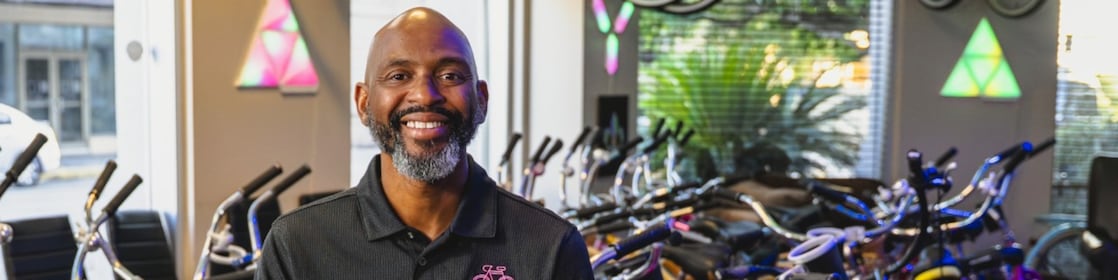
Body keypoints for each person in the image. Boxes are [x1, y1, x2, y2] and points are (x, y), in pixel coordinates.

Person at [255, 7, 594, 280]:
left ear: (481, 100)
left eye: (450, 76)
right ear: (363, 102)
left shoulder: (551, 247)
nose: (425, 95)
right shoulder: (297, 245)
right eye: (399, 76)